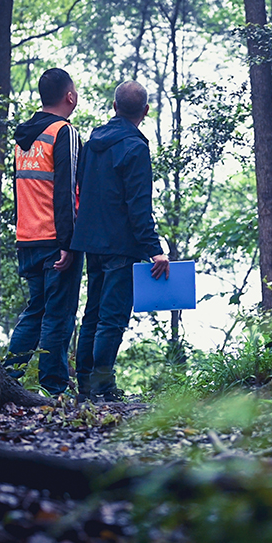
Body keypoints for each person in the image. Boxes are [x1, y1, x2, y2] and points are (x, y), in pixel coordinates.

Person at [71, 80, 169, 403]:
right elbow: (138, 206)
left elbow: (81, 188)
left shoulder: (91, 142)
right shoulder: (136, 148)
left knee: (93, 314)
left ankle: (85, 386)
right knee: (112, 318)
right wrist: (154, 250)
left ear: (114, 107)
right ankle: (101, 386)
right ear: (145, 111)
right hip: (119, 245)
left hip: (90, 241)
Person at [4, 68, 83, 397]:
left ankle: (8, 378)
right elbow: (65, 189)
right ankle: (55, 389)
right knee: (58, 313)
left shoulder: (24, 137)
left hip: (27, 239)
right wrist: (68, 242)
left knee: (36, 310)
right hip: (55, 241)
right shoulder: (63, 132)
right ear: (70, 96)